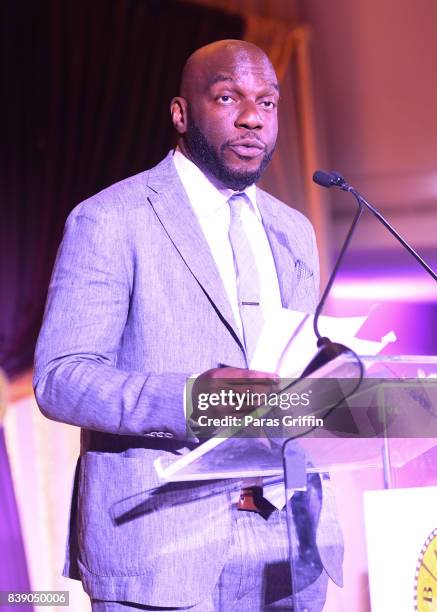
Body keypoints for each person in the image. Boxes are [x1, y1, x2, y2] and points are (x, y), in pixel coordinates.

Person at [34, 40, 343, 611]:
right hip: (165, 551)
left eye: (268, 103)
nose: (253, 117)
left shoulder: (292, 229)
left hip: (286, 545)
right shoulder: (110, 219)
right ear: (180, 112)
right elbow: (60, 378)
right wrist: (189, 399)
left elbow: (291, 374)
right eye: (228, 97)